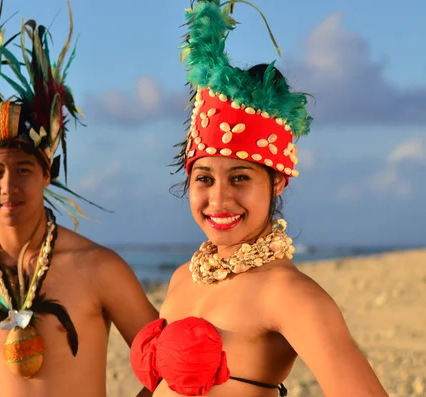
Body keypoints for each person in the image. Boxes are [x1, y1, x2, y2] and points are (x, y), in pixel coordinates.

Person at [129, 1, 389, 396]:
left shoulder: (289, 294)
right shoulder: (182, 279)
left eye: (239, 178)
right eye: (204, 178)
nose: (219, 199)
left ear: (278, 182)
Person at [0, 1, 157, 396]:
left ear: (48, 174)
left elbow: (165, 368)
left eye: (24, 170)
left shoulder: (100, 268)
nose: (8, 185)